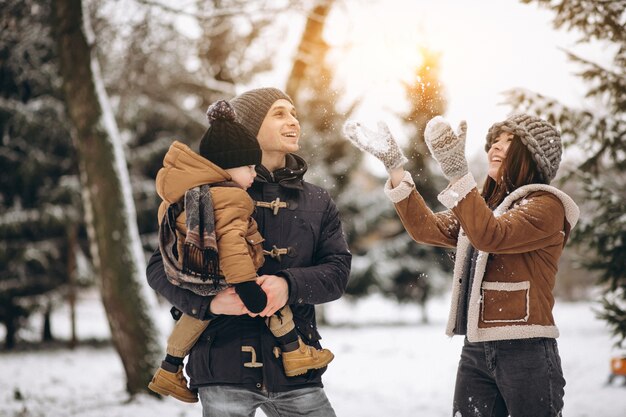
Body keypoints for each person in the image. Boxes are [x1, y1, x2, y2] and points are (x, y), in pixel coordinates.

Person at [343, 114, 579, 417]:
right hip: (476, 349)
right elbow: (426, 228)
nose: (496, 147)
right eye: (495, 140)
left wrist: (457, 174)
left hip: (526, 350)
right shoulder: (485, 210)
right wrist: (395, 168)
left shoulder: (547, 206)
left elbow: (491, 236)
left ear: (533, 156)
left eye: (510, 142)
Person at [147, 88, 351, 416]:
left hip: (296, 367)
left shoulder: (317, 200)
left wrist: (288, 284)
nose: (293, 121)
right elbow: (160, 267)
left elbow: (338, 271)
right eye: (280, 113)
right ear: (251, 127)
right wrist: (208, 302)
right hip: (221, 364)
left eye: (294, 113)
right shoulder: (203, 196)